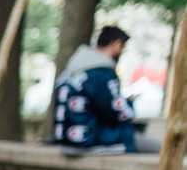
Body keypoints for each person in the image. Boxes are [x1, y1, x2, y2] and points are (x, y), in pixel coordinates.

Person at [52, 25, 156, 155]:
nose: (122, 51)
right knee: (161, 149)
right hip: (87, 141)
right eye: (122, 47)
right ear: (116, 44)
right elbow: (116, 111)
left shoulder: (70, 72)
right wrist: (129, 103)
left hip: (66, 139)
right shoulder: (101, 73)